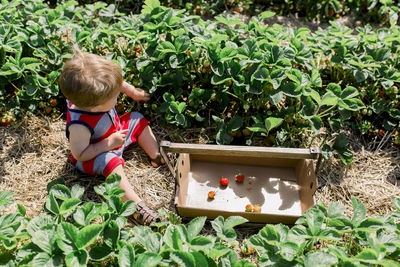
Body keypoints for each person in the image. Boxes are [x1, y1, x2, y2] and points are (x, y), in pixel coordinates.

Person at [59, 49, 163, 225]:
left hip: (115, 134)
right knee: (110, 162)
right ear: (96, 106)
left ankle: (158, 156)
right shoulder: (80, 125)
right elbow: (79, 154)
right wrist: (108, 143)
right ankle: (135, 206)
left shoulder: (100, 91)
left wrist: (133, 93)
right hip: (95, 154)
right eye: (116, 97)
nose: (119, 95)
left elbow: (117, 83)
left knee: (136, 119)